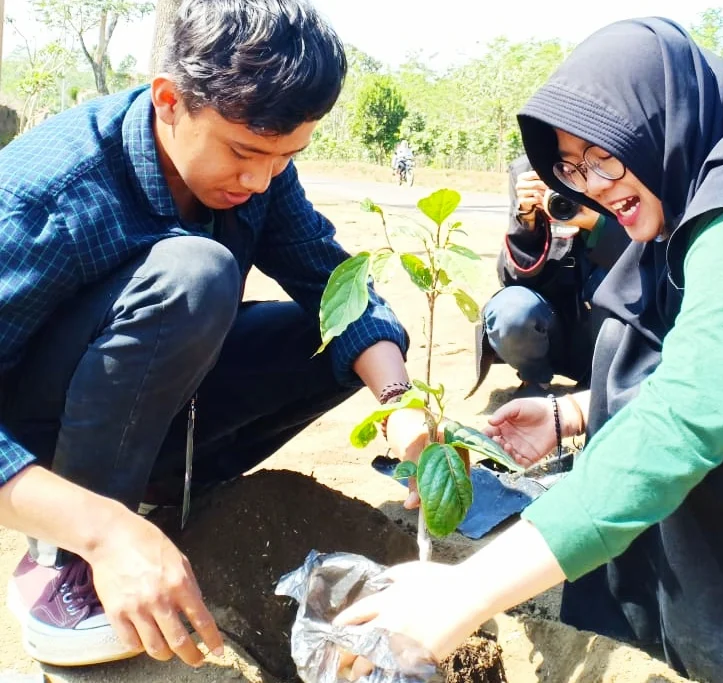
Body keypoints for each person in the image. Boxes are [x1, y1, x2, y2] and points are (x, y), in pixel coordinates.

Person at [335, 17, 723, 683]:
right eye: (571, 164)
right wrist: (577, 412)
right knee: (625, 346)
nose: (591, 182)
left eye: (605, 155)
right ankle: (659, 614)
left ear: (659, 120)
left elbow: (687, 417)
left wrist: (462, 594)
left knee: (720, 434)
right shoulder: (705, 183)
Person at [0, 0, 427, 669]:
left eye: (287, 156)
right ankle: (67, 557)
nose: (260, 179)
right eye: (244, 152)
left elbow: (334, 279)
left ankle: (160, 496)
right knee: (193, 276)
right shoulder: (45, 199)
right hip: (36, 427)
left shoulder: (260, 175)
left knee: (330, 337)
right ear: (170, 101)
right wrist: (103, 532)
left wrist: (400, 402)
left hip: (143, 405)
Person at [469, 153, 628, 398]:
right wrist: (526, 221)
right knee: (511, 308)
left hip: (606, 327)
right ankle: (535, 378)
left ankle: (599, 380)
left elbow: (643, 261)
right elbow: (511, 281)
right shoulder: (526, 169)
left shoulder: (615, 163)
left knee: (610, 284)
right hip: (549, 321)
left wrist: (598, 225)